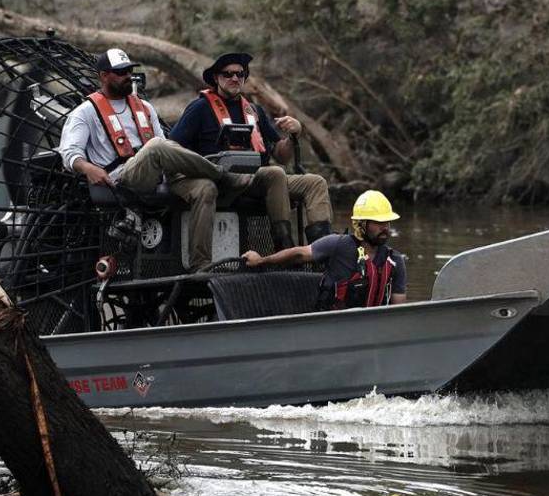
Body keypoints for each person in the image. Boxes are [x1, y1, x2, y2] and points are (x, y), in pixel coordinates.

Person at [57, 47, 256, 271]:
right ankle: (223, 175)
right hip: (122, 178)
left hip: (158, 174)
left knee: (205, 188)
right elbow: (69, 153)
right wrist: (87, 168)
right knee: (156, 146)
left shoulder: (145, 107)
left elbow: (167, 149)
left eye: (129, 71)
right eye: (121, 72)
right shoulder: (85, 112)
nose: (128, 76)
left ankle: (200, 264)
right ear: (104, 76)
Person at [169, 52, 333, 251]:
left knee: (315, 183)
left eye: (240, 74)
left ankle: (323, 251)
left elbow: (281, 155)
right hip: (222, 179)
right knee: (275, 173)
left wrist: (293, 135)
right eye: (228, 74)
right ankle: (285, 248)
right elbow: (173, 146)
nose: (234, 78)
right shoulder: (200, 108)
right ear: (216, 78)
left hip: (260, 179)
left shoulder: (254, 111)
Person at [241, 189, 407, 308]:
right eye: (378, 223)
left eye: (387, 222)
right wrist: (261, 260)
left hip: (373, 330)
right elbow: (299, 254)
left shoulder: (395, 261)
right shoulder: (337, 245)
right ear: (361, 224)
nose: (385, 228)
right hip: (336, 326)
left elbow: (399, 310)